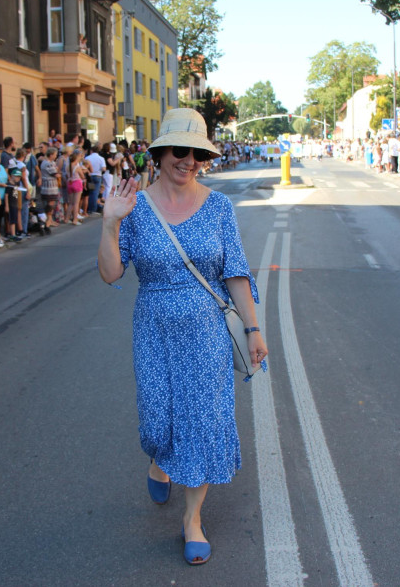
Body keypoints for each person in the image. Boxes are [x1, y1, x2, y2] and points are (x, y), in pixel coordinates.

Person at [97, 108, 266, 566]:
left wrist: (253, 329)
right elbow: (111, 273)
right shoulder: (134, 206)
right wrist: (111, 222)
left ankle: (192, 520)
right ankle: (158, 459)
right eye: (179, 150)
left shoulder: (219, 207)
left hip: (207, 331)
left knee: (203, 419)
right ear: (158, 153)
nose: (188, 160)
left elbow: (235, 272)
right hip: (154, 327)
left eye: (197, 153)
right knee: (158, 419)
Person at [40, 147, 61, 227]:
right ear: (51, 154)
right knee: (50, 204)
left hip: (51, 186)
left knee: (51, 203)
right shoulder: (47, 163)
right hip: (49, 187)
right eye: (55, 155)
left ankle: (50, 220)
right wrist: (58, 172)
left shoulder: (50, 162)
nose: (56, 156)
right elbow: (56, 174)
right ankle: (48, 220)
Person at [85, 143, 105, 214]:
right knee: (95, 193)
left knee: (90, 193)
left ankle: (88, 208)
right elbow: (103, 168)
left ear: (92, 151)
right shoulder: (101, 158)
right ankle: (93, 209)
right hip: (97, 175)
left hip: (90, 176)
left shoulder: (87, 158)